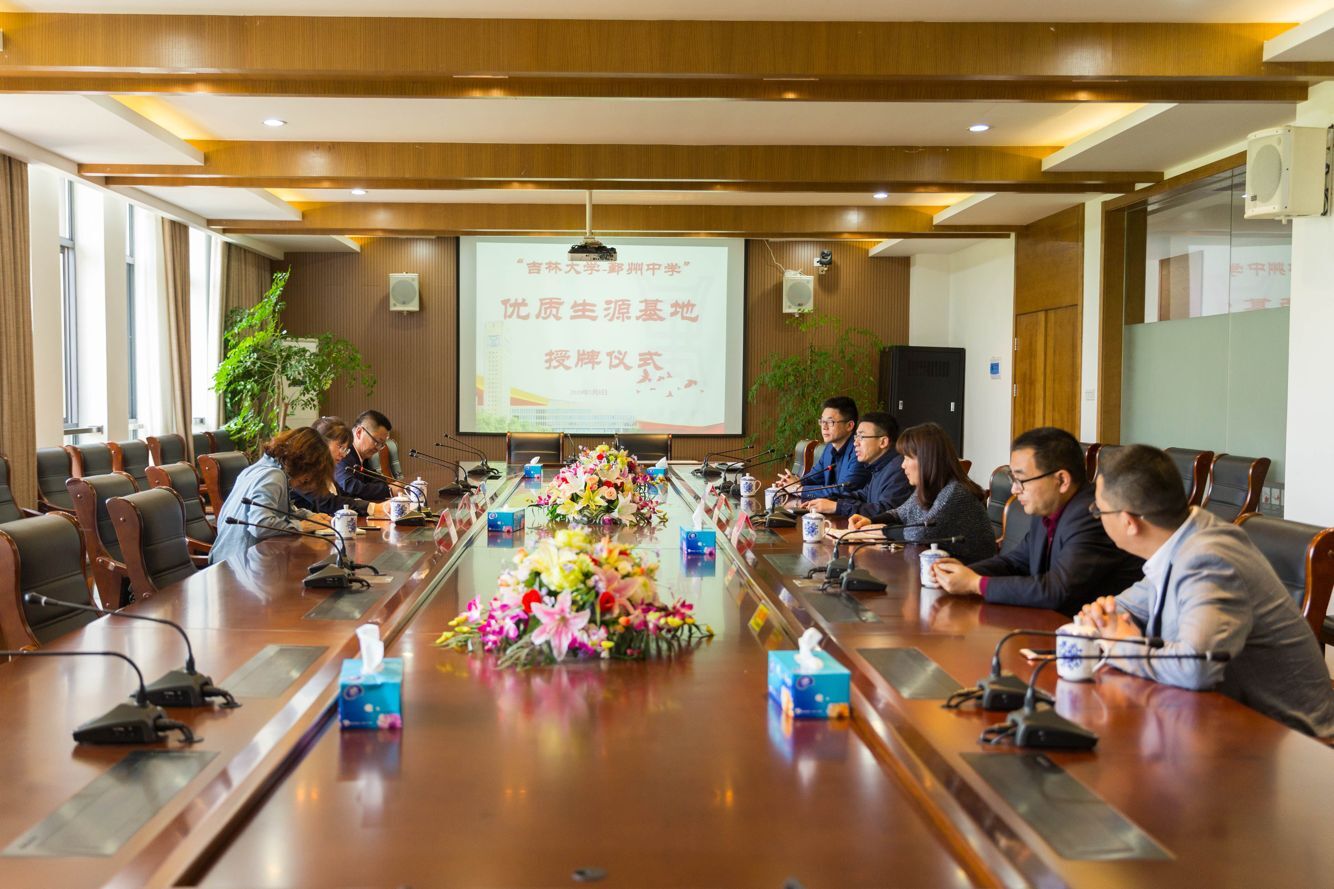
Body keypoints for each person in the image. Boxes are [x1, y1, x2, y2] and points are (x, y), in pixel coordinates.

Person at [1079, 444, 1334, 738]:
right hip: (1226, 721)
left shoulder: (1207, 558)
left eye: (1098, 510)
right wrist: (1104, 617)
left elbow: (1195, 668)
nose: (1096, 516)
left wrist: (1122, 644)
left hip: (1291, 741)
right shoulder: (1184, 536)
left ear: (1128, 522)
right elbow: (1129, 605)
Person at [932, 426, 1143, 615]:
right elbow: (1015, 562)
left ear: (1062, 480)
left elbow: (1057, 590)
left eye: (1021, 480)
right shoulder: (1049, 510)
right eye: (1013, 479)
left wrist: (976, 584)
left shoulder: (1092, 515)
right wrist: (964, 573)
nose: (1014, 489)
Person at [847, 422, 995, 563]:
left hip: (969, 571)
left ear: (926, 460)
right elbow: (900, 513)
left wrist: (883, 530)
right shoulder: (928, 487)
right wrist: (871, 521)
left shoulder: (955, 492)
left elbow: (921, 533)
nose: (903, 465)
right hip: (940, 566)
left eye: (907, 458)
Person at [210, 427, 334, 566]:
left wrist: (310, 517)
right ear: (305, 464)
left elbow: (279, 510)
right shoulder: (274, 476)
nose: (307, 480)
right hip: (237, 564)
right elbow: (260, 525)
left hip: (229, 559)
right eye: (309, 476)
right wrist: (301, 526)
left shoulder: (260, 468)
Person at [803, 411, 912, 517]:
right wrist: (830, 500)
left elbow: (887, 512)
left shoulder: (901, 469)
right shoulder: (879, 466)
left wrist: (837, 507)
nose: (855, 443)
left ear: (883, 442)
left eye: (861, 437)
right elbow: (862, 496)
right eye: (856, 437)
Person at [773, 396, 872, 501]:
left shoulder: (859, 452)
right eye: (822, 421)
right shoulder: (829, 448)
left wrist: (798, 489)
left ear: (849, 426)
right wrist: (793, 482)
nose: (824, 427)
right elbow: (813, 478)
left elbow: (843, 490)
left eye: (830, 422)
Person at [292, 416, 389, 517]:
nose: (343, 454)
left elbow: (344, 497)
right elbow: (328, 502)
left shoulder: (325, 470)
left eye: (346, 449)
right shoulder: (302, 470)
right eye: (340, 447)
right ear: (321, 442)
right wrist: (372, 508)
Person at [335, 409, 394, 501]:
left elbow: (380, 480)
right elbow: (350, 486)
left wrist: (386, 488)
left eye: (381, 445)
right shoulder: (343, 454)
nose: (378, 448)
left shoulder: (363, 457)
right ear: (359, 432)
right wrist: (389, 490)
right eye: (377, 442)